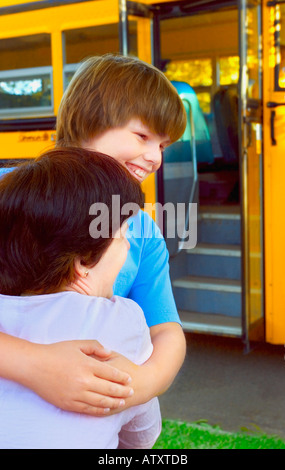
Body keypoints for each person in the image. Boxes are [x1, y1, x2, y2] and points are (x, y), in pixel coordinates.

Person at [0, 54, 187, 415]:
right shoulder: (8, 194)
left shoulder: (142, 230)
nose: (154, 158)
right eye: (143, 135)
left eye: (163, 146)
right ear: (88, 123)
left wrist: (140, 386)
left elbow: (166, 331)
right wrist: (34, 365)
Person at [0, 147, 161, 449]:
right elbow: (142, 436)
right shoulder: (123, 319)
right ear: (84, 262)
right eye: (123, 234)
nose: (127, 246)